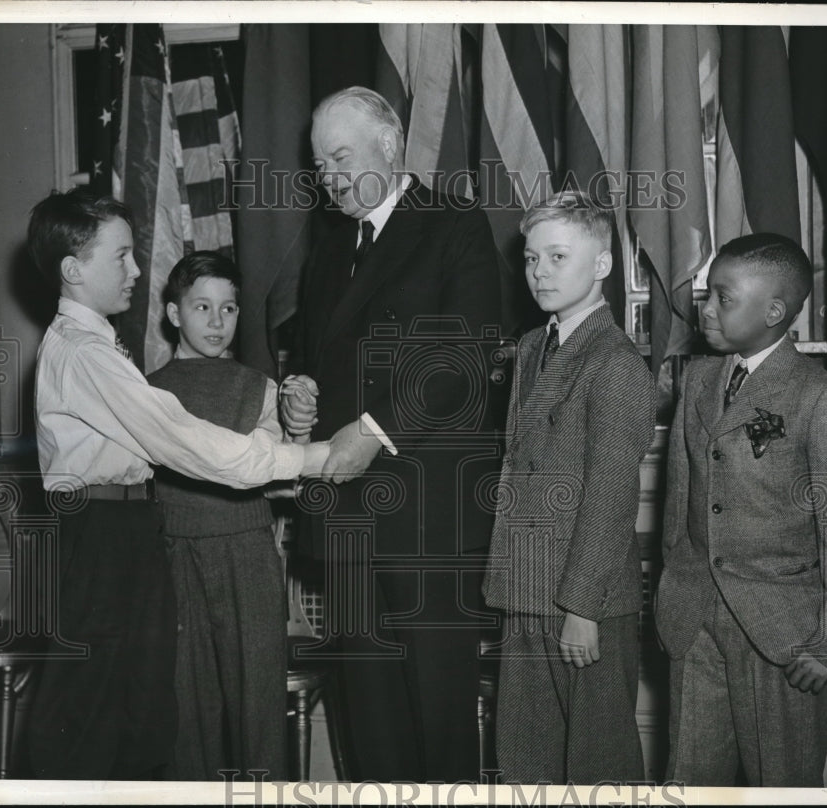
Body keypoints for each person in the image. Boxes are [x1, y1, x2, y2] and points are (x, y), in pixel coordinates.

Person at [25, 189, 328, 780]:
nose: (137, 270)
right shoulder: (85, 352)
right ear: (73, 269)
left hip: (127, 529)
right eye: (121, 256)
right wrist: (310, 456)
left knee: (139, 712)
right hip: (102, 533)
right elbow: (177, 435)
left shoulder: (96, 346)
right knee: (90, 709)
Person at [280, 86, 502, 782]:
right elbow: (324, 360)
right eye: (320, 166)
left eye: (341, 157)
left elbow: (462, 356)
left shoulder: (453, 224)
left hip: (426, 519)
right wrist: (301, 397)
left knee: (435, 719)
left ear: (392, 143)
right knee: (367, 719)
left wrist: (375, 429)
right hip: (344, 518)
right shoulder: (328, 247)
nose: (330, 178)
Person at [654, 233, 827, 786]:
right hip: (695, 618)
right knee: (689, 780)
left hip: (785, 636)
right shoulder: (701, 379)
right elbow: (678, 497)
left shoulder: (823, 399)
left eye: (722, 298)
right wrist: (672, 590)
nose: (704, 309)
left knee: (783, 784)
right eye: (706, 295)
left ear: (775, 311)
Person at [481, 192, 655, 784]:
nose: (540, 273)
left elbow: (609, 497)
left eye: (558, 257)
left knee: (597, 763)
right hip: (526, 585)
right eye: (532, 259)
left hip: (586, 602)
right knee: (526, 756)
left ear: (602, 265)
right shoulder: (533, 346)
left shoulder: (616, 362)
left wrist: (581, 608)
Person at [146, 251, 294, 780]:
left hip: (247, 549)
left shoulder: (260, 386)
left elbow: (278, 472)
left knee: (258, 703)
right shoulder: (146, 390)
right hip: (174, 553)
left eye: (228, 309)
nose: (216, 322)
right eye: (202, 307)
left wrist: (298, 425)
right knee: (187, 707)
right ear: (172, 313)